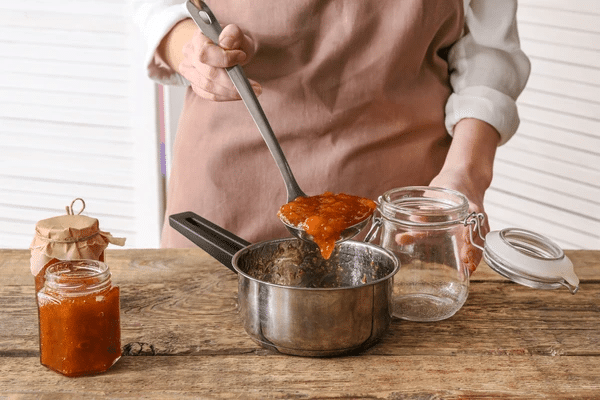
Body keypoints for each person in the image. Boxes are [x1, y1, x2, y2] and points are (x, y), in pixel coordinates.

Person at [132, 0, 530, 273]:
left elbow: (488, 49)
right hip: (226, 188)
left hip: (407, 205)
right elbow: (158, 7)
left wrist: (465, 174)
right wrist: (189, 48)